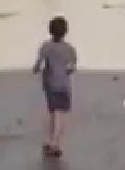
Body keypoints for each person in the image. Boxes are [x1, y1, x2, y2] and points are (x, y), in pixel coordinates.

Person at [33, 16, 78, 158]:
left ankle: (52, 142)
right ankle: (55, 142)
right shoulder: (70, 49)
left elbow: (38, 65)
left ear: (50, 30)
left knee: (53, 113)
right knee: (60, 114)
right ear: (66, 31)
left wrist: (35, 70)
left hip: (50, 85)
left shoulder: (46, 46)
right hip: (63, 85)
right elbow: (71, 68)